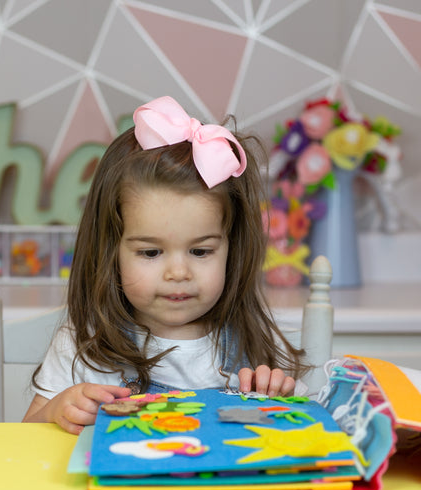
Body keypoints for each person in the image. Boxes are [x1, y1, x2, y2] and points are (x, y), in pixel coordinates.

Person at [23, 95, 308, 434]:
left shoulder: (255, 342)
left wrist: (279, 402)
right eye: (151, 253)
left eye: (200, 252)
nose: (178, 273)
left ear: (233, 250)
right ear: (110, 252)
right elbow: (23, 438)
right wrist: (56, 410)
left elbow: (297, 435)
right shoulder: (85, 344)